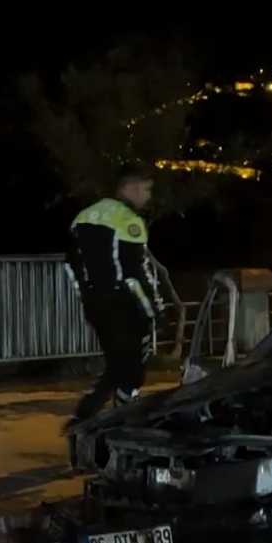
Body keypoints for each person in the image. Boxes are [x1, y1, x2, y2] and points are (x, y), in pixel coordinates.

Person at [64, 169, 165, 429]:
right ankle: (123, 417)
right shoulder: (128, 221)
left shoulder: (82, 218)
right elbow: (135, 274)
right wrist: (154, 309)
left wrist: (86, 299)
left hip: (96, 306)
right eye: (145, 189)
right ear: (129, 188)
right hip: (126, 306)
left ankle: (86, 416)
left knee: (117, 362)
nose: (148, 195)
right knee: (131, 367)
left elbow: (71, 266)